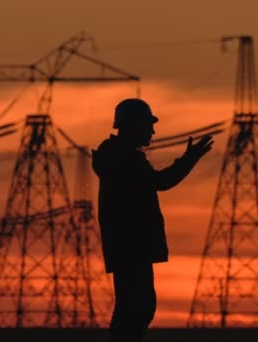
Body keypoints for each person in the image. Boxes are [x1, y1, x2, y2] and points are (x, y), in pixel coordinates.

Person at [91, 98, 213, 342]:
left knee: (133, 307)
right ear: (133, 125)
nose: (153, 131)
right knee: (136, 308)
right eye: (148, 125)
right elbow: (161, 182)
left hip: (127, 247)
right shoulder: (125, 160)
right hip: (132, 247)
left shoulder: (117, 157)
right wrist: (190, 158)